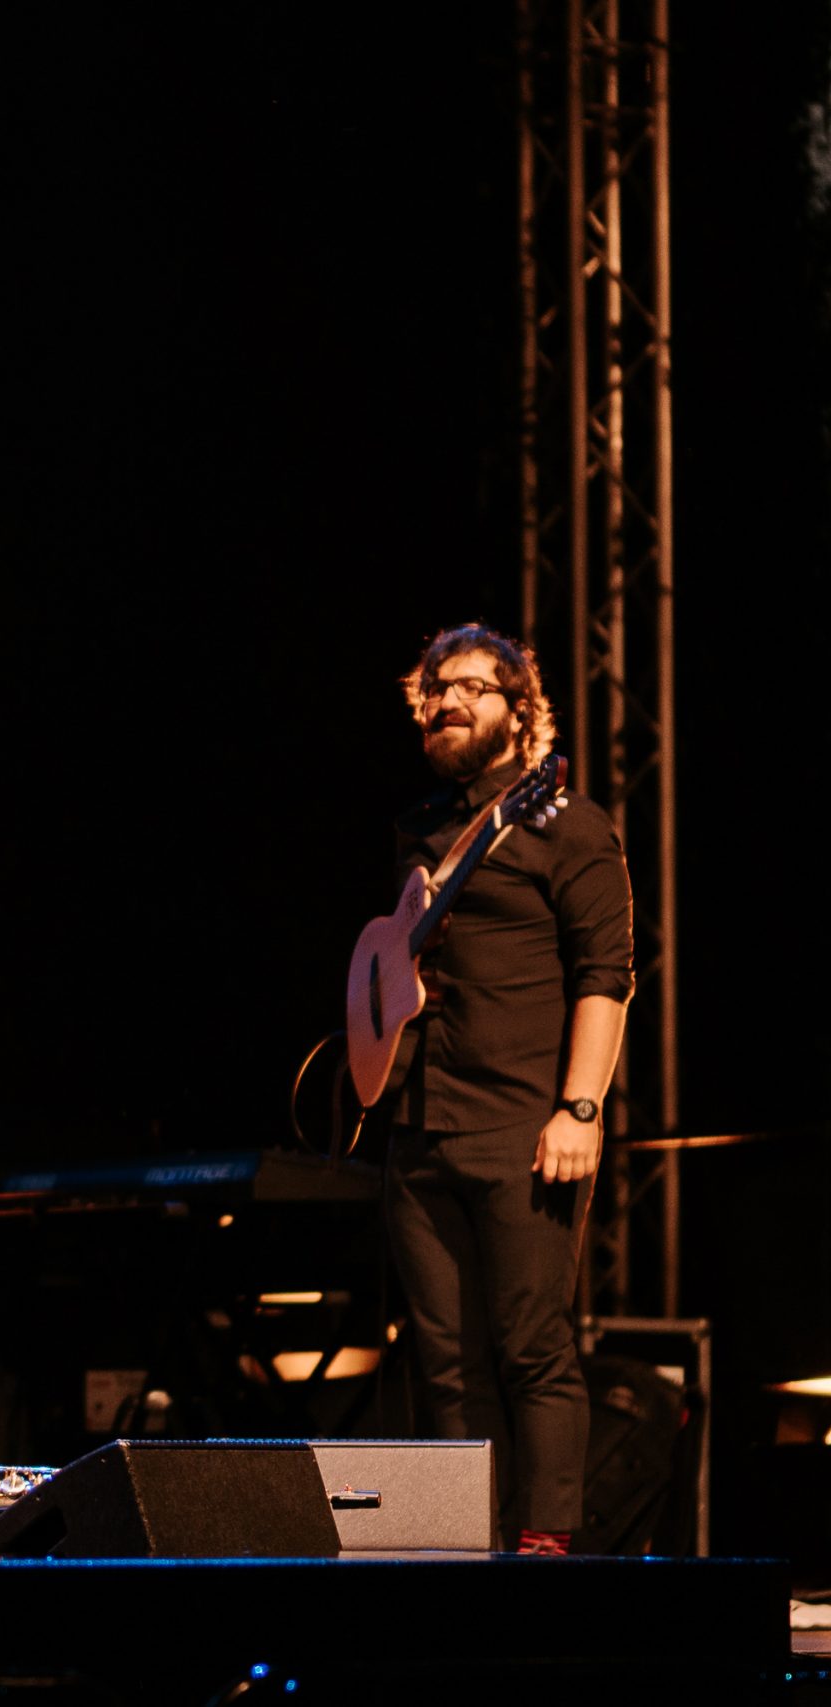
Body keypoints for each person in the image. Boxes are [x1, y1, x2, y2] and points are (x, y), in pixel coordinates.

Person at [381, 623, 632, 1556]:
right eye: (434, 690)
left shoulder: (568, 824)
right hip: (420, 1127)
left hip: (522, 1126)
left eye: (470, 687)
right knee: (444, 1363)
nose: (446, 701)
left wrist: (579, 1107)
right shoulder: (418, 831)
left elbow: (607, 973)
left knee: (532, 1350)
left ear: (521, 712)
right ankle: (462, 1550)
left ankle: (544, 1551)